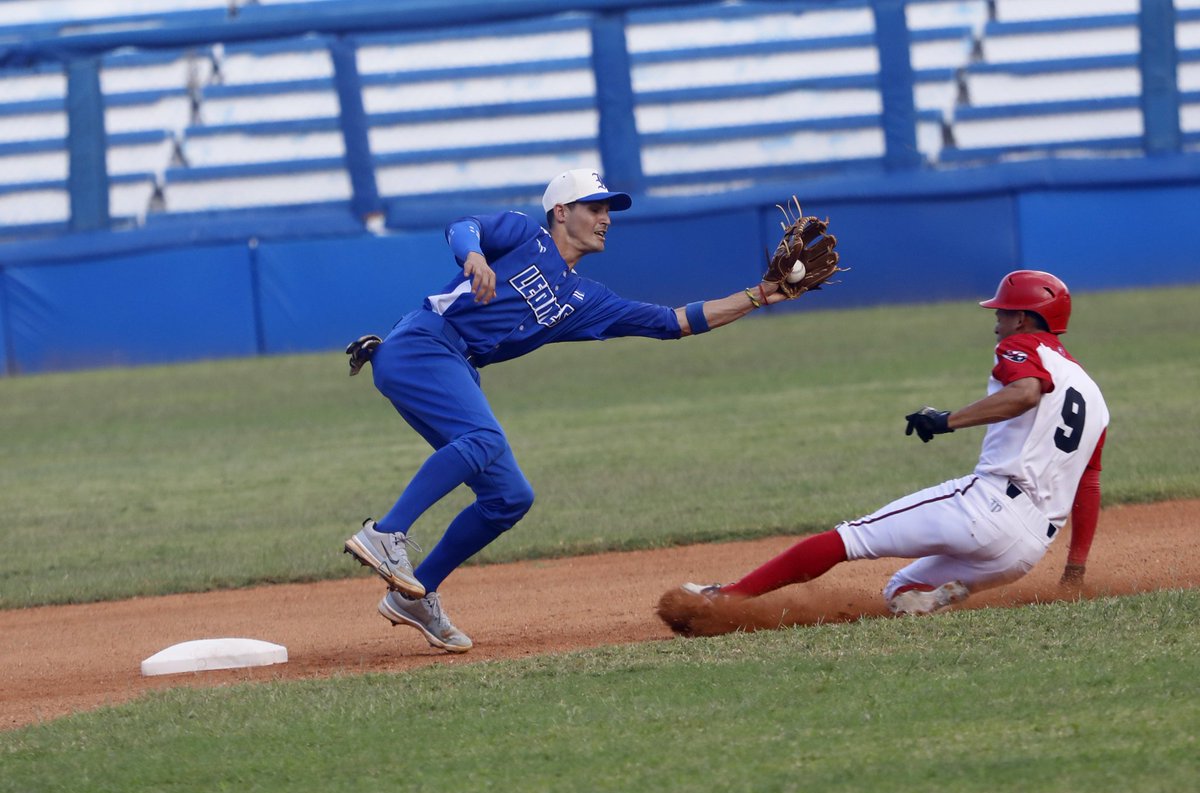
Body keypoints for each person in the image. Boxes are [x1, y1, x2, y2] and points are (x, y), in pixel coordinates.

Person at [344, 168, 819, 652]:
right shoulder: (526, 235)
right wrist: (473, 257)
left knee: (508, 497)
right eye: (595, 207)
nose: (605, 218)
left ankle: (415, 597)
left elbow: (674, 322)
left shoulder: (583, 299)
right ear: (561, 213)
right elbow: (464, 226)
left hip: (454, 365)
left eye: (608, 209)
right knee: (485, 441)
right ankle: (386, 533)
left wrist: (759, 295)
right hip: (422, 343)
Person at [675, 269, 1108, 620]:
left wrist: (946, 421)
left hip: (988, 509)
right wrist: (1074, 570)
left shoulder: (1021, 345)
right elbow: (1088, 485)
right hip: (1025, 551)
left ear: (1026, 319)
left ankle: (725, 597)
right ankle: (942, 595)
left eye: (1004, 312)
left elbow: (1028, 392)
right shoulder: (1094, 397)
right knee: (900, 591)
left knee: (849, 539)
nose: (997, 321)